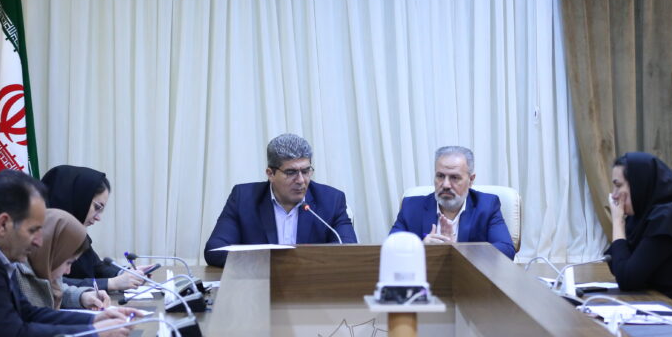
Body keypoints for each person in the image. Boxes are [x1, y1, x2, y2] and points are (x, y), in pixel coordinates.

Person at [0, 169, 138, 337]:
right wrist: (94, 336)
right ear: (3, 224)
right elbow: (14, 336)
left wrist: (94, 320)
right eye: (33, 230)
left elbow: (29, 313)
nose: (39, 241)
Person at [204, 133, 358, 266]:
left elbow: (348, 249)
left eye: (306, 171)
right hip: (260, 284)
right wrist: (274, 264)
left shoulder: (332, 200)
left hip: (311, 285)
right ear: (270, 174)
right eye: (291, 172)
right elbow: (215, 250)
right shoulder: (243, 198)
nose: (301, 180)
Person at [607, 152, 672, 298]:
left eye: (618, 186)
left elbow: (627, 279)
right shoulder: (641, 216)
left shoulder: (669, 218)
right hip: (656, 300)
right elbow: (616, 264)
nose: (614, 195)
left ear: (639, 184)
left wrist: (618, 222)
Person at [389, 146, 515, 258]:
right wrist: (421, 248)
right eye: (440, 176)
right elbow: (390, 249)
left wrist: (457, 249)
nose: (446, 185)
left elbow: (507, 250)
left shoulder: (487, 205)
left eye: (454, 177)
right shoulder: (411, 207)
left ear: (471, 180)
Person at [41, 165, 147, 291]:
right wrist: (110, 283)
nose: (98, 218)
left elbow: (96, 266)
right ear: (79, 198)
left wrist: (125, 273)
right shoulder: (41, 235)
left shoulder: (76, 233)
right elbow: (51, 283)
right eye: (97, 207)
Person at [15, 209, 110, 310]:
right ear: (52, 252)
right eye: (68, 263)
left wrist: (82, 296)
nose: (68, 271)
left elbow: (55, 289)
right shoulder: (14, 276)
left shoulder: (45, 267)